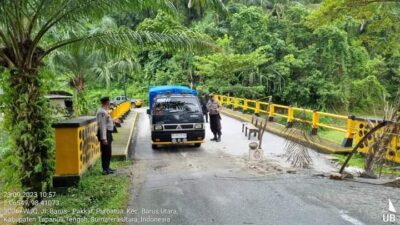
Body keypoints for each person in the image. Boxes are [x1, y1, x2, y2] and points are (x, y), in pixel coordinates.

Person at [96, 96, 116, 175]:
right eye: (108, 102)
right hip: (105, 133)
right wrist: (104, 138)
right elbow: (102, 126)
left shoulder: (104, 111)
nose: (109, 103)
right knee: (105, 152)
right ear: (106, 102)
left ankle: (107, 167)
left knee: (108, 152)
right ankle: (105, 169)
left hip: (108, 133)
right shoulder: (102, 112)